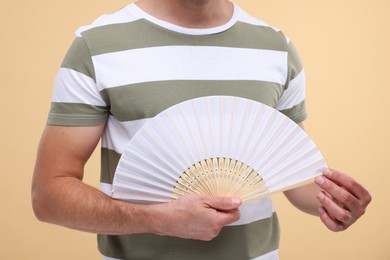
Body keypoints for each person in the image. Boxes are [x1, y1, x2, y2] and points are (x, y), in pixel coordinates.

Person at [31, 0, 372, 259]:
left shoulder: (275, 48)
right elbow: (49, 196)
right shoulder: (96, 47)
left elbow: (290, 174)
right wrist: (157, 219)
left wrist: (333, 203)